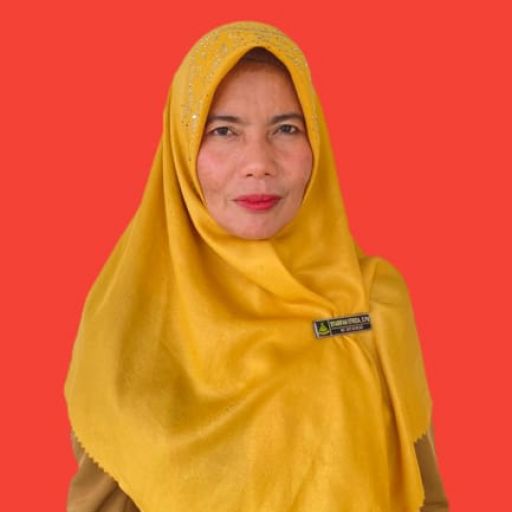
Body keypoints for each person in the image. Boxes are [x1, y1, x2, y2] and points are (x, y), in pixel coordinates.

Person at [65, 21, 449, 512]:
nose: (258, 163)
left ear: (317, 142)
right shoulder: (124, 320)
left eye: (286, 129)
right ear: (182, 149)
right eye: (224, 131)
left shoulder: (374, 300)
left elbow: (425, 494)